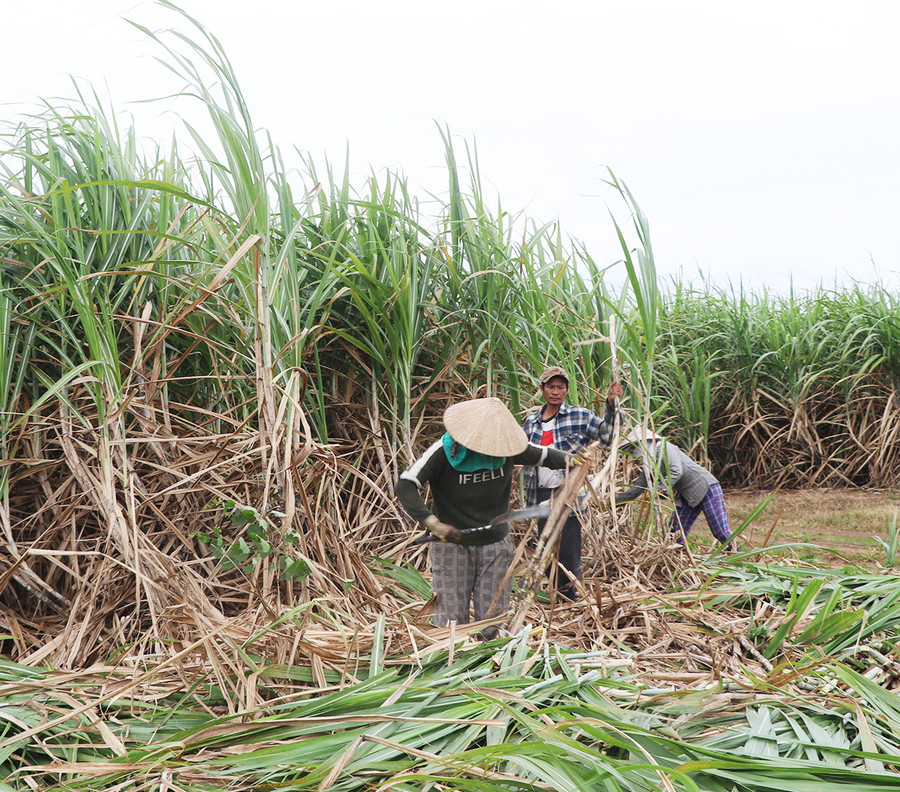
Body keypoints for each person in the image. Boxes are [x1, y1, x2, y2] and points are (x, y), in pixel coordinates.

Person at [396, 397, 573, 639]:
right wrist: (431, 522)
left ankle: (493, 666)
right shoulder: (443, 452)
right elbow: (406, 484)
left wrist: (573, 461)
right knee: (451, 621)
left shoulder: (505, 448)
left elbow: (544, 456)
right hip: (452, 546)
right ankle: (454, 667)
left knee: (494, 621)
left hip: (495, 545)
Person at [522, 366, 625, 600]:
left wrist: (611, 404)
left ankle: (568, 596)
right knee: (545, 546)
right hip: (540, 493)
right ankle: (551, 594)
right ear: (542, 390)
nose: (555, 392)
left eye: (560, 387)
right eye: (550, 387)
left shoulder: (580, 416)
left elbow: (608, 436)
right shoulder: (531, 423)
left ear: (567, 390)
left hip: (568, 494)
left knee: (568, 549)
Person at [615, 427, 736, 550]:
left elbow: (676, 471)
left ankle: (738, 557)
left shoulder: (665, 448)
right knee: (675, 533)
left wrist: (659, 490)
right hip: (688, 496)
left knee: (720, 531)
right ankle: (678, 561)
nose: (633, 452)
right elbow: (637, 488)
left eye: (633, 447)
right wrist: (613, 502)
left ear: (643, 443)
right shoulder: (650, 462)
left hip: (707, 488)